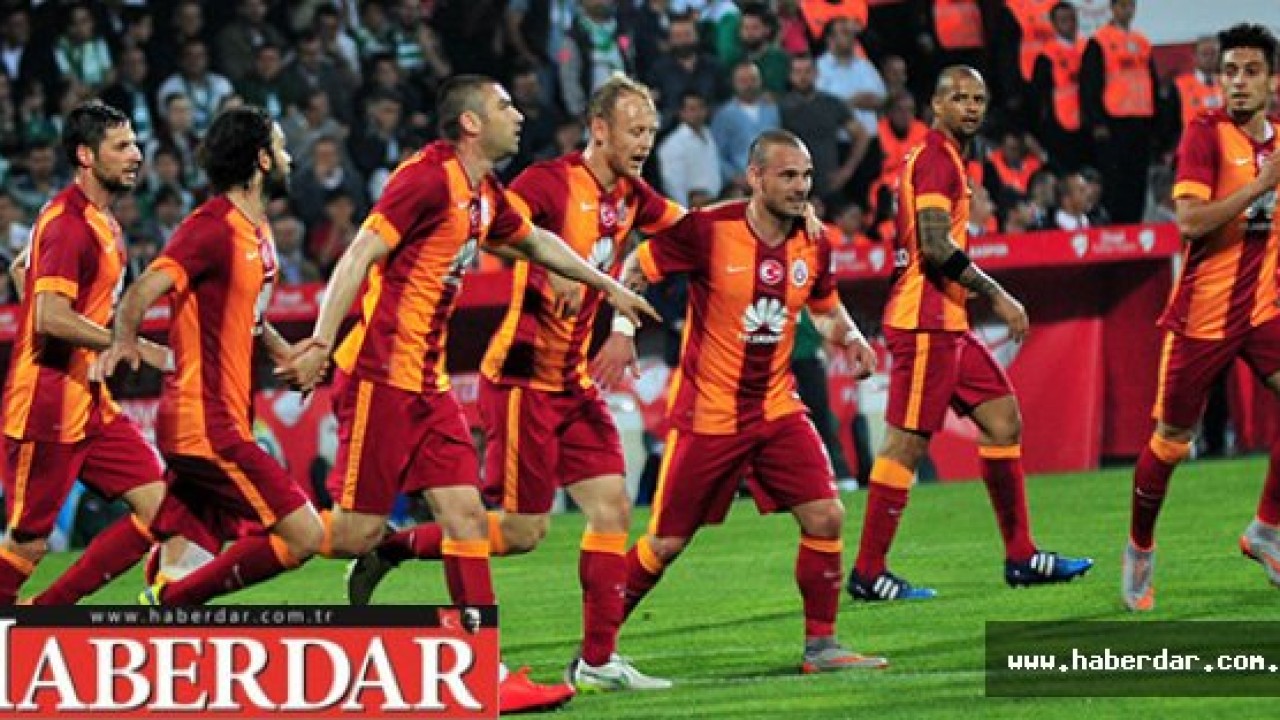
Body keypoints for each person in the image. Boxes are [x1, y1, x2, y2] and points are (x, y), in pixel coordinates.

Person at [282, 74, 660, 714]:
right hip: (381, 373)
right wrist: (320, 340)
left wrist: (609, 287)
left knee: (464, 519)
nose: (519, 114)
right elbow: (358, 254)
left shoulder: (483, 192)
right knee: (349, 533)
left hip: (429, 384)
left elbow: (535, 240)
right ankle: (211, 558)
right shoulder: (427, 178)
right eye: (505, 106)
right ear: (471, 123)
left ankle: (485, 670)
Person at [616, 128, 887, 675]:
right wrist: (623, 329)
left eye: (806, 176)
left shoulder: (815, 240)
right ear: (755, 177)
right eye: (788, 176)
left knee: (826, 515)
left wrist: (853, 337)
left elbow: (825, 308)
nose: (800, 187)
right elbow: (636, 268)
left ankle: (822, 648)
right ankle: (597, 645)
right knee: (665, 544)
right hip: (710, 414)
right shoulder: (709, 229)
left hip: (776, 408)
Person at [848, 67, 1093, 602]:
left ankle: (1021, 556)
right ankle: (868, 571)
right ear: (936, 106)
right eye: (959, 98)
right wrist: (998, 295)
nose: (971, 107)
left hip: (948, 322)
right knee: (906, 445)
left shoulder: (947, 158)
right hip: (924, 322)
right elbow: (936, 246)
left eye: (978, 98)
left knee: (1003, 421)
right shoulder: (937, 159)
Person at [98, 106, 327, 608]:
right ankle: (171, 602)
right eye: (281, 147)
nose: (289, 157)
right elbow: (141, 291)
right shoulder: (211, 226)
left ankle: (157, 608)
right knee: (304, 534)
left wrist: (285, 353)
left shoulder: (257, 230)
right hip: (204, 424)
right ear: (262, 160)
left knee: (187, 549)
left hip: (223, 419)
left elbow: (251, 317)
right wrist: (124, 342)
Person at [1124, 24, 1280, 612]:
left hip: (1262, 311)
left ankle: (1266, 529)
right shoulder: (1204, 133)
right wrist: (1259, 187)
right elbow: (1189, 222)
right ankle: (1140, 547)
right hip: (1202, 318)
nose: (1237, 82)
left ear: (1272, 81)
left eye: (1250, 71)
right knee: (1171, 442)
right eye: (1229, 72)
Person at [0, 101, 175, 606]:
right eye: (121, 147)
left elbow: (21, 268)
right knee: (28, 543)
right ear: (85, 155)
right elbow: (49, 317)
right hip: (45, 404)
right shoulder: (68, 223)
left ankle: (49, 612)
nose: (135, 155)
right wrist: (128, 344)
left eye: (134, 144)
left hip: (89, 399)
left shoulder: (100, 221)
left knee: (162, 508)